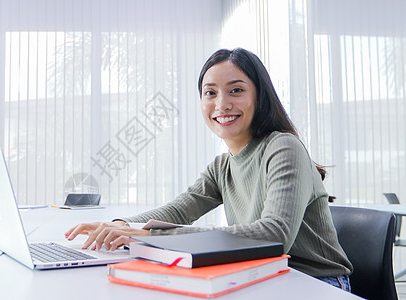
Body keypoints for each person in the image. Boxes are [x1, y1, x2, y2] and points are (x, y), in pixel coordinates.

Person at [64, 48, 353, 291]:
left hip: (317, 283)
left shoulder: (283, 147)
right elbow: (177, 210)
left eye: (236, 90)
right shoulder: (222, 166)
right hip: (264, 277)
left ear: (259, 96)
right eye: (210, 93)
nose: (222, 104)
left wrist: (153, 235)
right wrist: (122, 225)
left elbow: (274, 235)